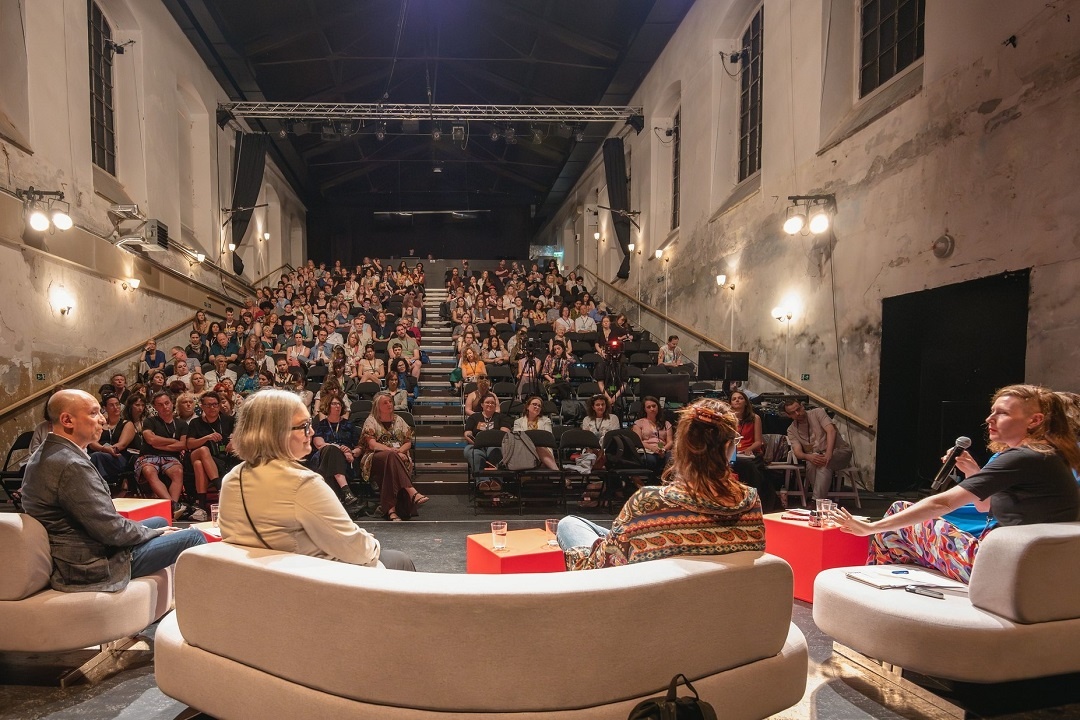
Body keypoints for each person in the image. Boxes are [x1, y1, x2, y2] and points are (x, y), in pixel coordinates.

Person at [836, 384, 1080, 583]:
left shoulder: (1023, 457)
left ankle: (875, 589)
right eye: (992, 411)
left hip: (1002, 566)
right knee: (902, 524)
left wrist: (870, 527)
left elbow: (942, 503)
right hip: (1026, 561)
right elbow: (985, 507)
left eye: (1002, 413)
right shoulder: (1046, 454)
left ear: (1035, 420)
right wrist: (973, 473)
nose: (990, 419)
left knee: (898, 518)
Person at [20, 389, 205, 592]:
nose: (102, 419)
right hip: (91, 563)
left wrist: (153, 532)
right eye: (94, 413)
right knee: (193, 536)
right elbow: (110, 530)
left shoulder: (49, 450)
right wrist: (152, 534)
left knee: (160, 522)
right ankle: (201, 603)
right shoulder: (71, 465)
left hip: (82, 545)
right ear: (67, 420)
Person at [216, 389, 414, 570]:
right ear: (277, 433)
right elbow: (358, 550)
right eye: (304, 426)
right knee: (399, 560)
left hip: (258, 580)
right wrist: (371, 542)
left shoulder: (232, 479)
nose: (311, 432)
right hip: (311, 581)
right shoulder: (302, 483)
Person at [557, 398, 765, 570]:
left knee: (569, 524)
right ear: (728, 446)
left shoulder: (649, 502)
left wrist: (583, 554)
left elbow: (600, 566)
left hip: (647, 598)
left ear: (681, 446)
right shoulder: (751, 501)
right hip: (717, 600)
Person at [359, 392, 425, 521]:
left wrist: (399, 452)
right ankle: (411, 491)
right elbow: (372, 444)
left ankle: (391, 511)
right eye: (385, 402)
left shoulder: (399, 420)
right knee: (390, 456)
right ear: (377, 406)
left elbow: (408, 443)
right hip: (374, 458)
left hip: (397, 457)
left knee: (389, 468)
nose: (389, 404)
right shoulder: (371, 420)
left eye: (390, 401)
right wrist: (393, 452)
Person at [782, 398, 852, 502]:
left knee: (824, 463)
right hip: (817, 455)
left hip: (839, 452)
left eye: (798, 409)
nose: (797, 413)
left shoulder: (817, 412)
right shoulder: (791, 429)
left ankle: (816, 501)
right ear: (789, 415)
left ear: (802, 406)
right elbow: (797, 452)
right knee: (812, 464)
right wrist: (808, 457)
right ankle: (819, 500)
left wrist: (828, 453)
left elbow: (831, 431)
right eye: (793, 413)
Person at [186, 391, 239, 521]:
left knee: (199, 464)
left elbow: (239, 436)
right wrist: (207, 438)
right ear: (202, 406)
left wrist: (234, 441)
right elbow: (189, 444)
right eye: (208, 405)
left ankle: (202, 506)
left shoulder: (228, 420)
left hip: (219, 459)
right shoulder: (195, 422)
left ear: (219, 405)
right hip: (195, 455)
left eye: (215, 404)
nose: (212, 408)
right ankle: (220, 487)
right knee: (203, 450)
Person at [139, 391, 191, 519]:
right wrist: (172, 441)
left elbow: (183, 444)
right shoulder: (150, 421)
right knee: (149, 471)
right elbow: (150, 439)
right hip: (149, 455)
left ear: (172, 403)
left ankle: (171, 509)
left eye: (167, 403)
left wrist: (160, 444)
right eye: (160, 405)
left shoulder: (181, 424)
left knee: (178, 471)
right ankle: (173, 506)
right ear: (155, 407)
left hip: (171, 457)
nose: (165, 407)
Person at [310, 397, 365, 515]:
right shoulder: (321, 425)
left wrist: (352, 452)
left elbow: (360, 447)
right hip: (322, 458)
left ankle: (335, 505)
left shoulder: (349, 425)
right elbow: (319, 444)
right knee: (331, 450)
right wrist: (340, 449)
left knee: (332, 461)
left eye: (339, 404)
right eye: (334, 404)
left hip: (346, 461)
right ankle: (346, 493)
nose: (338, 406)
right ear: (327, 406)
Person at [464, 394, 511, 476]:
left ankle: (496, 480)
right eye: (487, 402)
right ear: (482, 404)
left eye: (492, 403)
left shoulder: (502, 417)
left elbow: (504, 433)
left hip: (496, 445)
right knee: (474, 454)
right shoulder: (474, 417)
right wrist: (474, 440)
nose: (490, 404)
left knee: (495, 451)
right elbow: (467, 433)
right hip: (476, 445)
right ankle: (482, 480)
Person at [512, 395, 560, 471]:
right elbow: (518, 438)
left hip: (543, 451)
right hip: (524, 451)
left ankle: (557, 471)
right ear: (527, 406)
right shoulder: (518, 422)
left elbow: (548, 438)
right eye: (534, 404)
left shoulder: (546, 421)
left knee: (538, 446)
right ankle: (558, 472)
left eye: (539, 406)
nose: (537, 407)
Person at [631, 395, 673, 474]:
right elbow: (638, 441)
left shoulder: (666, 423)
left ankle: (667, 479)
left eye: (654, 406)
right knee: (651, 460)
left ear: (658, 407)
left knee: (672, 459)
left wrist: (663, 450)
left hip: (663, 449)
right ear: (645, 409)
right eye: (649, 407)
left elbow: (670, 441)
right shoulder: (639, 423)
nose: (652, 409)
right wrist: (653, 449)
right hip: (647, 450)